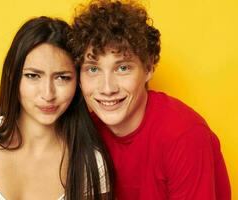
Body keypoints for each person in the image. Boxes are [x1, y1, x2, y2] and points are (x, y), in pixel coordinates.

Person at [69, 0, 231, 199]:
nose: (107, 88)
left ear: (148, 68)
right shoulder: (87, 131)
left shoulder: (183, 134)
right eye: (93, 69)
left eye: (123, 68)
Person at [0, 16, 113, 200]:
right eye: (33, 76)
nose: (48, 94)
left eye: (62, 78)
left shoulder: (90, 161)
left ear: (78, 82)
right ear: (13, 76)